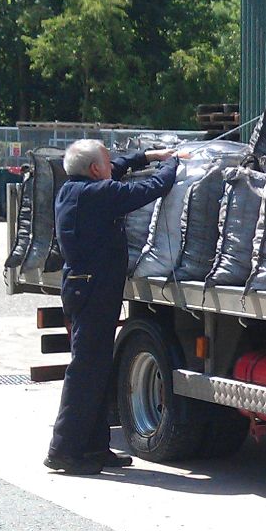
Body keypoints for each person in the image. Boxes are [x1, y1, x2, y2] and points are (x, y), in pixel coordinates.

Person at [45, 139, 179, 474]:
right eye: (105, 161)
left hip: (85, 288)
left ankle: (94, 449)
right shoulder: (97, 196)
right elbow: (153, 188)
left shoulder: (74, 190)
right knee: (86, 372)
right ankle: (63, 450)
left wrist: (148, 156)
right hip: (92, 290)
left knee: (97, 371)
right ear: (94, 170)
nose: (111, 165)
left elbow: (118, 167)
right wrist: (172, 164)